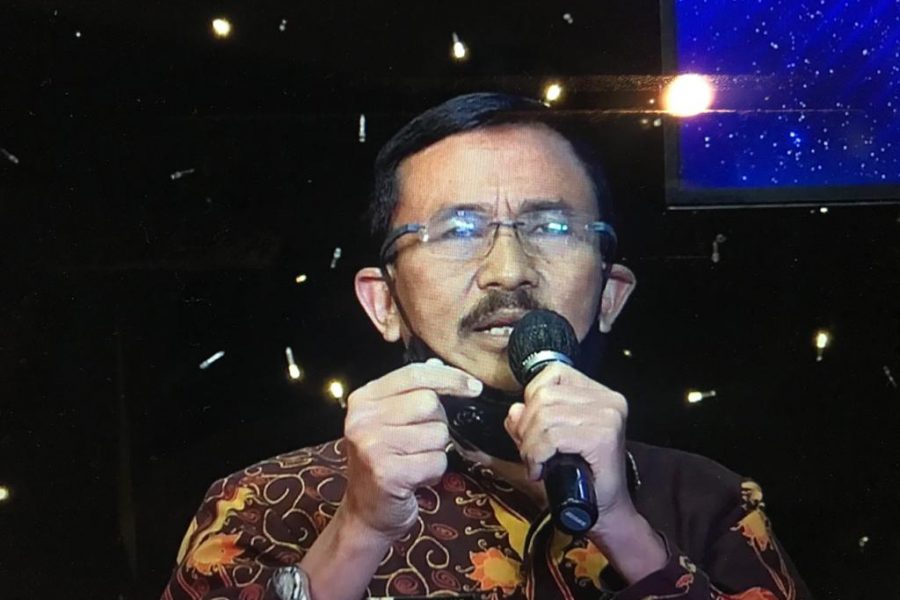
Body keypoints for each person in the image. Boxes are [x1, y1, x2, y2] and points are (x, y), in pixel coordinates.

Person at [161, 93, 811, 600]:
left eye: (550, 227)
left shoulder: (709, 501)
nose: (508, 270)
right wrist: (357, 532)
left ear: (609, 295)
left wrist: (622, 527)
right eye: (458, 230)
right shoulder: (261, 505)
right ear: (383, 303)